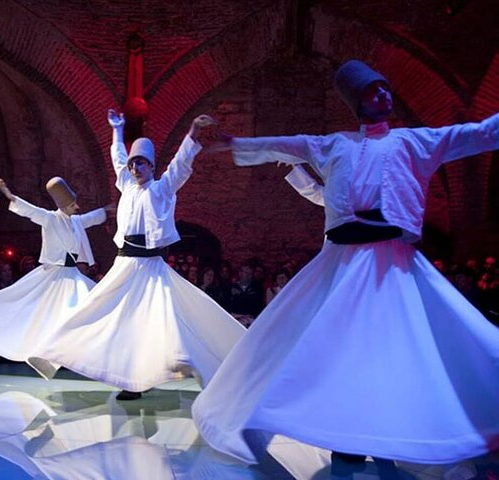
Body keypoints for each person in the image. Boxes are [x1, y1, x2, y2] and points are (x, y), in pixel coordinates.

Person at [193, 59, 499, 464]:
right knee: (327, 347)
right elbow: (287, 144)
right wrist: (232, 143)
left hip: (391, 261)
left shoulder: (414, 142)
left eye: (386, 89)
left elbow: (473, 134)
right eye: (374, 91)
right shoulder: (334, 144)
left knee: (392, 349)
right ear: (358, 102)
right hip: (341, 261)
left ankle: (386, 429)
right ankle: (339, 431)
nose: (384, 96)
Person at [28, 109, 245, 400]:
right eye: (132, 165)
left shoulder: (162, 189)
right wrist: (116, 130)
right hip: (125, 263)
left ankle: (174, 365)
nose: (134, 169)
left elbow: (180, 165)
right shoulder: (127, 187)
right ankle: (54, 351)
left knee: (159, 318)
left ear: (151, 166)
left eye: (140, 164)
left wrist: (193, 133)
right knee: (99, 309)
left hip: (152, 264)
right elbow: (117, 157)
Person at [0, 177, 109, 364]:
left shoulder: (75, 221)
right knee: (49, 315)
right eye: (71, 205)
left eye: (75, 203)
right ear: (62, 205)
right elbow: (31, 212)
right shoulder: (50, 218)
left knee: (89, 305)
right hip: (55, 276)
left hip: (72, 275)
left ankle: (74, 355)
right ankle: (47, 356)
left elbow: (91, 218)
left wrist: (107, 211)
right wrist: (11, 197)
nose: (76, 207)